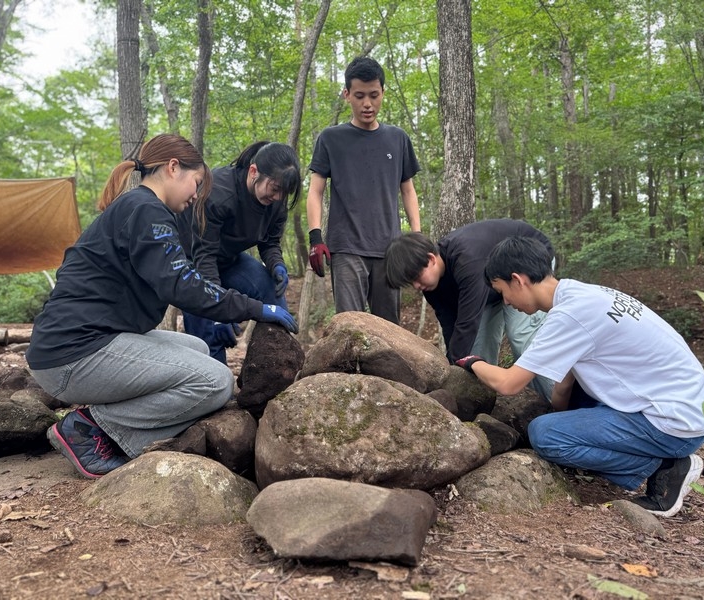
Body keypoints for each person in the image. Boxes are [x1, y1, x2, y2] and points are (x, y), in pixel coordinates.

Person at [26, 134, 298, 480]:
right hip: (72, 354)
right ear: (173, 169)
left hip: (90, 340)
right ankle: (92, 428)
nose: (197, 194)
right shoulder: (146, 211)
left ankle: (105, 418)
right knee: (216, 382)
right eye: (196, 182)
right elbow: (182, 284)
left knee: (198, 347)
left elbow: (186, 274)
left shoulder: (148, 209)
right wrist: (252, 308)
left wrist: (238, 299)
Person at [455, 236, 704, 517]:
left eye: (502, 291)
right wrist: (565, 417)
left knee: (545, 434)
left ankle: (665, 470)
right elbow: (564, 385)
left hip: (672, 423)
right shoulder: (583, 294)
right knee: (563, 416)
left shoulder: (569, 316)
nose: (506, 302)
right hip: (686, 406)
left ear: (518, 280)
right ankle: (660, 459)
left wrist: (471, 362)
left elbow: (508, 384)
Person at [384, 219, 555, 401]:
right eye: (411, 283)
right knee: (476, 351)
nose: (417, 286)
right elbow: (449, 322)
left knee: (521, 337)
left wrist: (454, 361)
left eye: (416, 277)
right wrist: (453, 365)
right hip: (490, 286)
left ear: (431, 259)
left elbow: (468, 321)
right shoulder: (431, 286)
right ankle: (487, 405)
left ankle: (553, 401)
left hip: (527, 266)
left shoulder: (467, 258)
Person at [306, 56, 421, 324]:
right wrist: (315, 238)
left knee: (389, 328)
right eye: (359, 96)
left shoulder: (398, 139)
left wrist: (416, 236)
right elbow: (315, 191)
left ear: (383, 92)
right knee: (349, 326)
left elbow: (408, 190)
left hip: (389, 249)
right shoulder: (331, 139)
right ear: (347, 94)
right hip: (346, 247)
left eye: (373, 95)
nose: (367, 104)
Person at [177, 141, 302, 364]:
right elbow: (204, 256)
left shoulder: (276, 202)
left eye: (284, 193)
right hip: (193, 263)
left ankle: (275, 369)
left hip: (229, 259)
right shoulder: (218, 193)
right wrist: (218, 312)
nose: (278, 197)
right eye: (275, 189)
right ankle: (214, 390)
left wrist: (277, 264)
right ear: (254, 171)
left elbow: (270, 242)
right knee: (210, 331)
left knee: (271, 290)